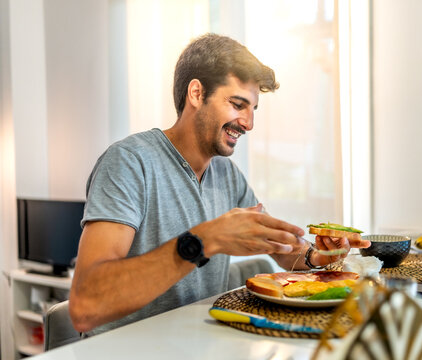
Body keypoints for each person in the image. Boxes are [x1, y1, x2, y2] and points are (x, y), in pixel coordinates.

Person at [69, 33, 371, 336]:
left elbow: (277, 244)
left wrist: (316, 256)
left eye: (253, 109)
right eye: (238, 104)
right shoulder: (129, 163)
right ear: (197, 93)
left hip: (198, 344)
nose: (248, 123)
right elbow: (86, 305)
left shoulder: (227, 175)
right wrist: (205, 240)